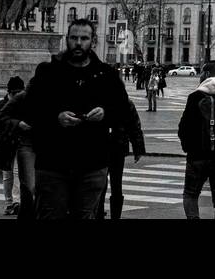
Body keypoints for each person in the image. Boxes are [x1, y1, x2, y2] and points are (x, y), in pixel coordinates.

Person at [10, 18, 131, 218]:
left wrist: (105, 113)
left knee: (85, 215)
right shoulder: (48, 72)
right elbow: (30, 110)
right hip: (53, 162)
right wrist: (56, 118)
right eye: (74, 37)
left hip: (93, 162)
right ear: (67, 39)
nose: (78, 43)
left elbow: (123, 111)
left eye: (84, 38)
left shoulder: (106, 74)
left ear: (93, 41)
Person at [179, 62, 215, 219]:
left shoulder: (195, 96)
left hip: (197, 156)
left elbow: (183, 128)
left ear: (207, 75)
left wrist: (189, 149)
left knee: (191, 194)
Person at [0, 76, 36, 217]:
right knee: (7, 175)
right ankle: (9, 203)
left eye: (19, 92)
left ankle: (16, 202)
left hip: (20, 144)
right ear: (8, 92)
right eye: (13, 93)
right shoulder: (1, 105)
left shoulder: (25, 102)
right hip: (6, 143)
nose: (16, 96)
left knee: (17, 172)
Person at [96, 91, 145, 219]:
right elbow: (135, 125)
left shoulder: (99, 101)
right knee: (115, 183)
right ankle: (113, 215)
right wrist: (138, 148)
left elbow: (134, 125)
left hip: (103, 148)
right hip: (117, 146)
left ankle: (100, 213)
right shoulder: (125, 102)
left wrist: (138, 148)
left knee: (102, 182)